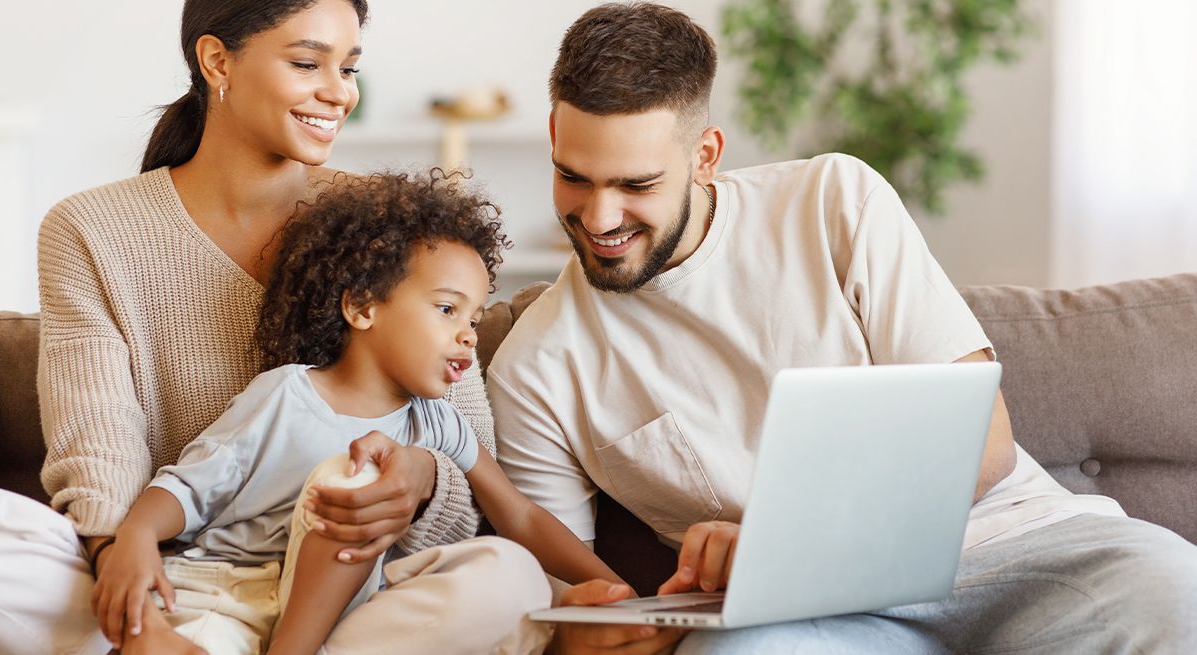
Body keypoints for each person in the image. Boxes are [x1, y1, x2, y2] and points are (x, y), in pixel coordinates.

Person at [486, 3, 1197, 654]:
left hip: (1014, 545)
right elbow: (567, 589)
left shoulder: (831, 200)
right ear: (554, 136)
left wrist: (777, 541)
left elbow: (985, 444)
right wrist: (582, 624)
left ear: (705, 156)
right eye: (574, 177)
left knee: (1174, 583)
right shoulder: (533, 367)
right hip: (807, 619)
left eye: (636, 185)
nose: (600, 218)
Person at [0, 1, 550, 653]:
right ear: (217, 60)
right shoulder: (89, 229)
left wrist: (420, 478)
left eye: (350, 66)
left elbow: (470, 451)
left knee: (512, 582)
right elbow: (99, 444)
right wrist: (134, 597)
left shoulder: (392, 225)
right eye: (308, 62)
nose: (339, 92)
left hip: (355, 599)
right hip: (174, 582)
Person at [92, 173, 621, 654]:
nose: (468, 334)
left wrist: (621, 593)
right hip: (226, 594)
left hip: (346, 616)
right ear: (362, 307)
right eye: (446, 309)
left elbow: (520, 515)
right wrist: (135, 538)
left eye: (475, 317)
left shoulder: (438, 422)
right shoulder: (286, 395)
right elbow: (188, 488)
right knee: (358, 473)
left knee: (511, 575)